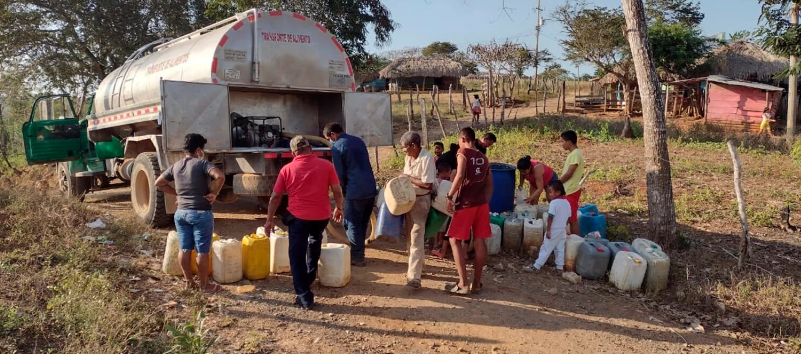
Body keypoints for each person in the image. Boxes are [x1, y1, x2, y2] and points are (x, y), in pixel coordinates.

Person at [263, 135, 344, 310]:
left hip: (299, 219)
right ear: (311, 149)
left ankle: (304, 296)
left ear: (293, 153)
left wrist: (269, 219)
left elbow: (276, 196)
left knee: (296, 256)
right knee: (315, 241)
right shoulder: (327, 165)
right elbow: (337, 190)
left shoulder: (287, 169)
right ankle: (309, 277)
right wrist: (339, 208)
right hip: (321, 217)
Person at [155, 133, 225, 293]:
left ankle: (188, 282)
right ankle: (204, 285)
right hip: (200, 213)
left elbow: (158, 183)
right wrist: (214, 193)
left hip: (181, 213)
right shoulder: (202, 164)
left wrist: (177, 194)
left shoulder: (176, 166)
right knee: (202, 251)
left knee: (185, 248)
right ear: (199, 150)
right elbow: (220, 176)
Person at [444, 127, 493, 295]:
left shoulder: (463, 152)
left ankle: (463, 283)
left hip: (466, 204)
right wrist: (484, 201)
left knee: (454, 240)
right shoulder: (484, 158)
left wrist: (449, 196)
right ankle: (477, 283)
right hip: (481, 205)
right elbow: (490, 184)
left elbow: (459, 175)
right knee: (480, 242)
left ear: (463, 139)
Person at [324, 123, 377, 267]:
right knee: (362, 222)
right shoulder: (358, 141)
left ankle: (357, 257)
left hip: (355, 191)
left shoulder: (337, 146)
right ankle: (359, 253)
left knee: (351, 223)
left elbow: (339, 175)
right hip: (370, 188)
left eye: (329, 138)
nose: (330, 141)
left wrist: (339, 198)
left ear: (333, 135)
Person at [399, 131, 437, 289]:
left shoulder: (426, 158)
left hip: (421, 200)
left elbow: (428, 184)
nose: (403, 150)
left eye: (404, 147)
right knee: (410, 235)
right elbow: (406, 175)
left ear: (413, 146)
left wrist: (409, 179)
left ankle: (414, 277)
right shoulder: (409, 157)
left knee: (416, 235)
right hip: (409, 198)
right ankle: (419, 266)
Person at [524, 180, 571, 272]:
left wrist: (548, 230)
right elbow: (569, 217)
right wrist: (564, 226)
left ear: (558, 192)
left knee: (546, 247)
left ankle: (537, 266)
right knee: (560, 248)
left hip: (554, 229)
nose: (549, 194)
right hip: (562, 229)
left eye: (550, 192)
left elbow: (550, 217)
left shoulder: (554, 203)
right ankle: (560, 267)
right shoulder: (566, 202)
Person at [559, 130, 585, 235]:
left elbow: (569, 173)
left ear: (569, 142)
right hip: (568, 190)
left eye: (562, 141)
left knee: (572, 218)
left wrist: (557, 183)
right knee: (567, 216)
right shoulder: (574, 154)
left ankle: (575, 240)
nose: (562, 144)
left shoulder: (575, 154)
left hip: (571, 190)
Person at [431, 161, 452, 259]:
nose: (450, 174)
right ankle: (438, 242)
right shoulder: (445, 183)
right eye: (449, 172)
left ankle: (436, 243)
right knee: (441, 226)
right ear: (444, 172)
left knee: (436, 226)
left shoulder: (436, 181)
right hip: (442, 208)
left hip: (436, 207)